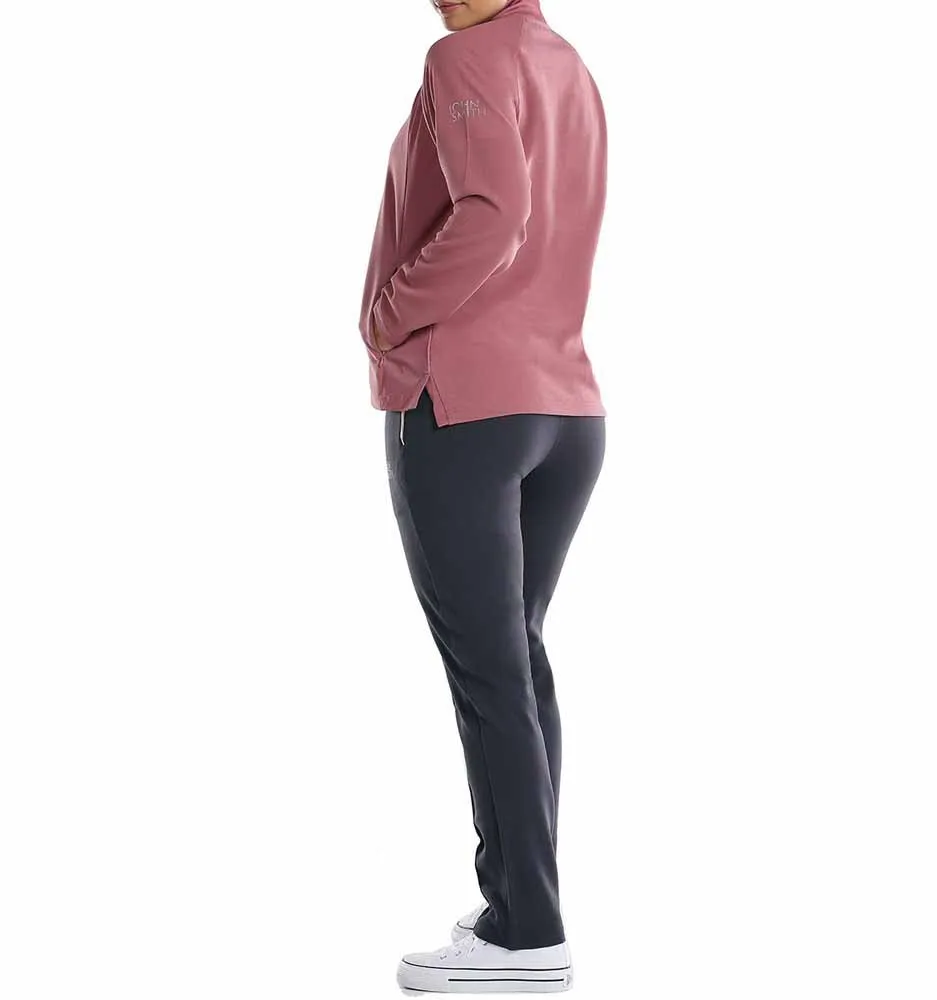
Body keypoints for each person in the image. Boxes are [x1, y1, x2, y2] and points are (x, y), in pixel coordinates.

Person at [357, 0, 608, 992]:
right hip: (567, 408)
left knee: (491, 676)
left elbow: (493, 215)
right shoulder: (565, 62)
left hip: (465, 406)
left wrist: (388, 314)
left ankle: (526, 933)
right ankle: (515, 896)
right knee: (518, 662)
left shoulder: (462, 58)